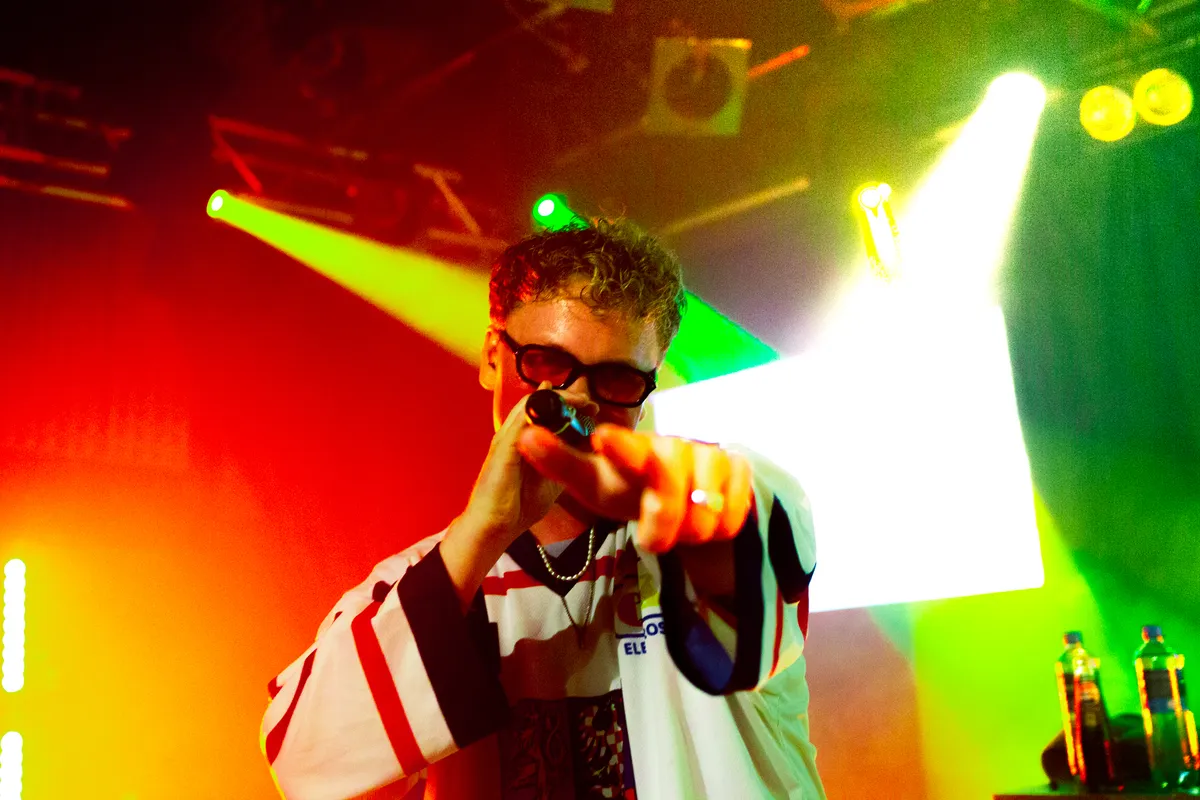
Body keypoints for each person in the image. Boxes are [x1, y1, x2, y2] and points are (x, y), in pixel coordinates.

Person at [260, 219, 825, 799]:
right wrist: (482, 532)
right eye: (547, 364)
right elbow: (303, 764)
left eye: (617, 379)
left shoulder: (685, 516)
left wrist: (711, 514)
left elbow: (759, 529)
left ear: (649, 386)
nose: (578, 398)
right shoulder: (414, 582)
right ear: (492, 357)